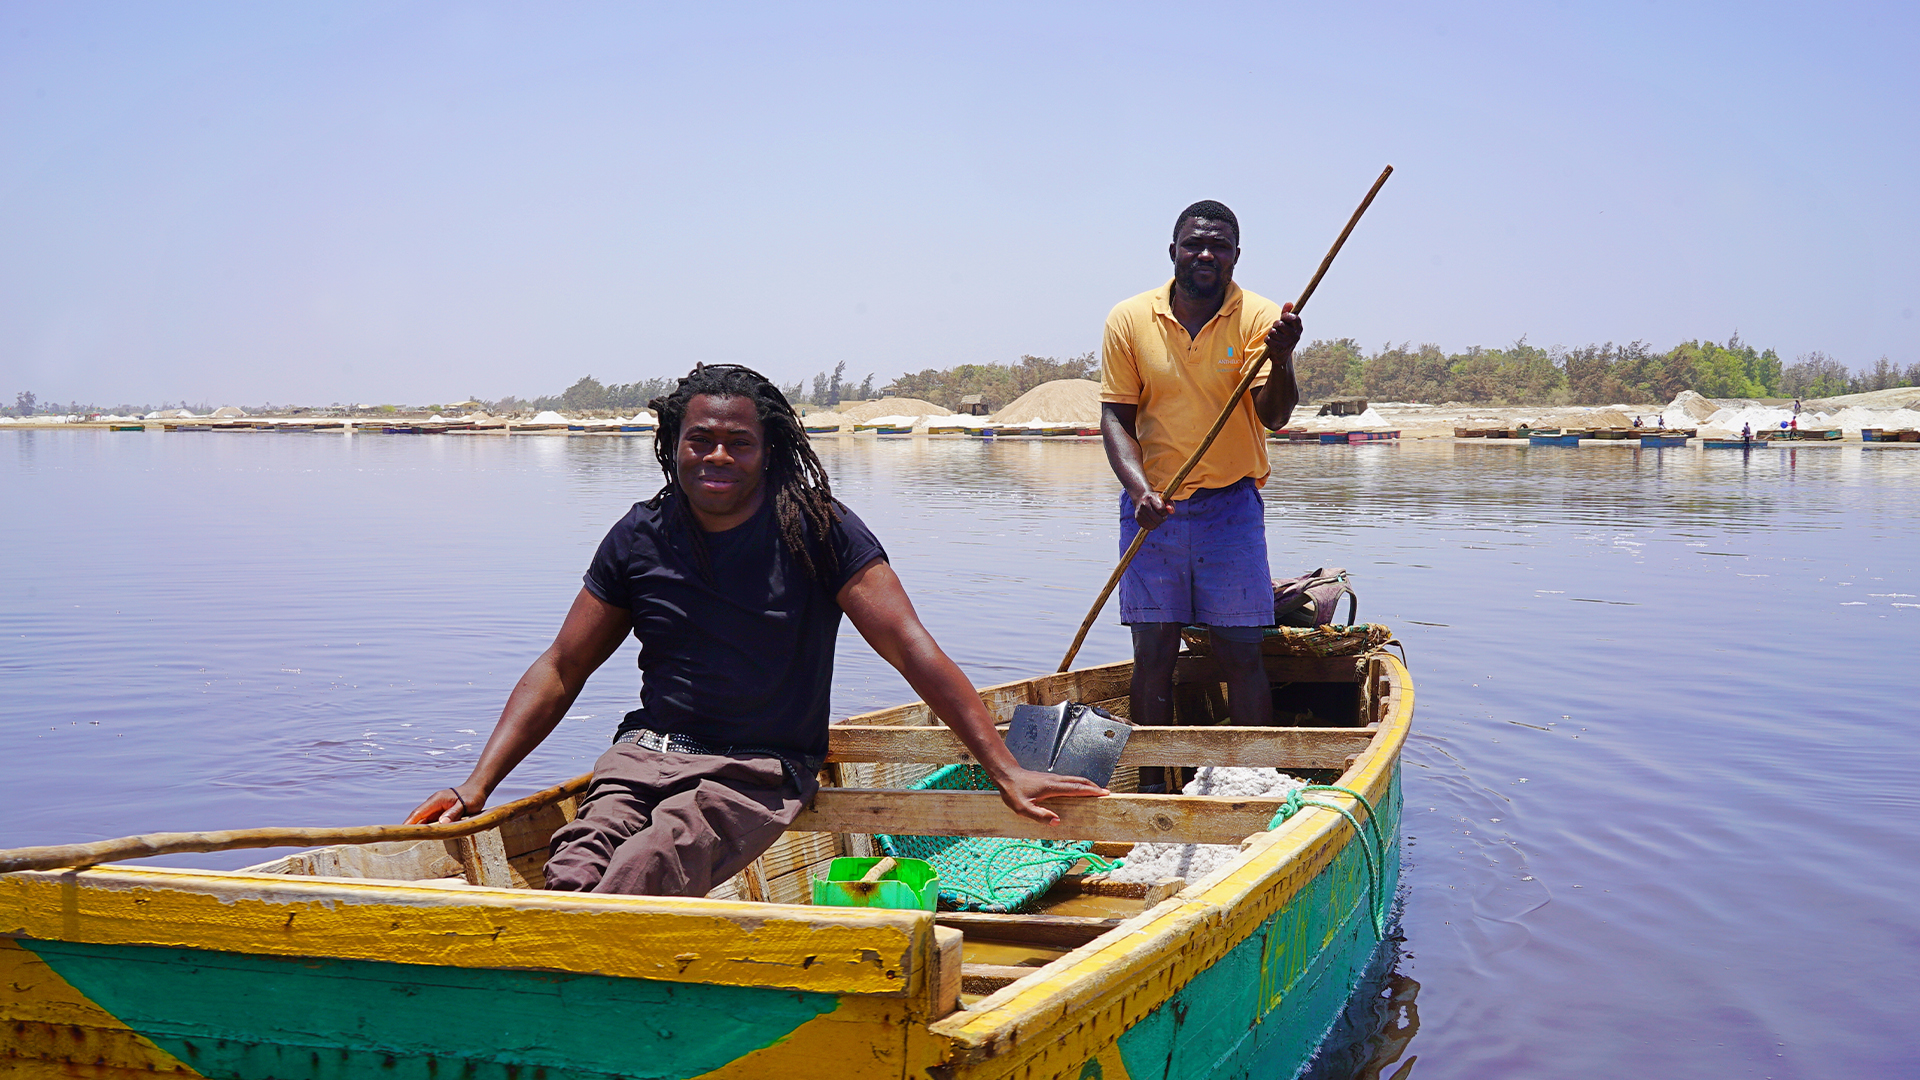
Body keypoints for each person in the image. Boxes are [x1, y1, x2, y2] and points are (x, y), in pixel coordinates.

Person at [407, 364, 1104, 896]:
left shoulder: (816, 531)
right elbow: (561, 667)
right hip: (642, 756)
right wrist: (476, 788)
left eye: (737, 443)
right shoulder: (638, 537)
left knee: (651, 862)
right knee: (577, 862)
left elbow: (910, 647)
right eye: (699, 441)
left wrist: (1003, 767)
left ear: (767, 451)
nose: (716, 457)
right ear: (672, 446)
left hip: (757, 770)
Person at [1098, 200, 1302, 788]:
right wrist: (1140, 492)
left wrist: (1282, 359)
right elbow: (1115, 418)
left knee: (1240, 650)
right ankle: (1156, 789)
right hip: (1152, 510)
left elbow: (1275, 417)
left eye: (1218, 246)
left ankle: (1257, 788)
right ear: (1173, 252)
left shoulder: (1261, 317)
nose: (1205, 255)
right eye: (1194, 244)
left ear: (1236, 256)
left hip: (1229, 507)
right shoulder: (1129, 318)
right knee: (1153, 650)